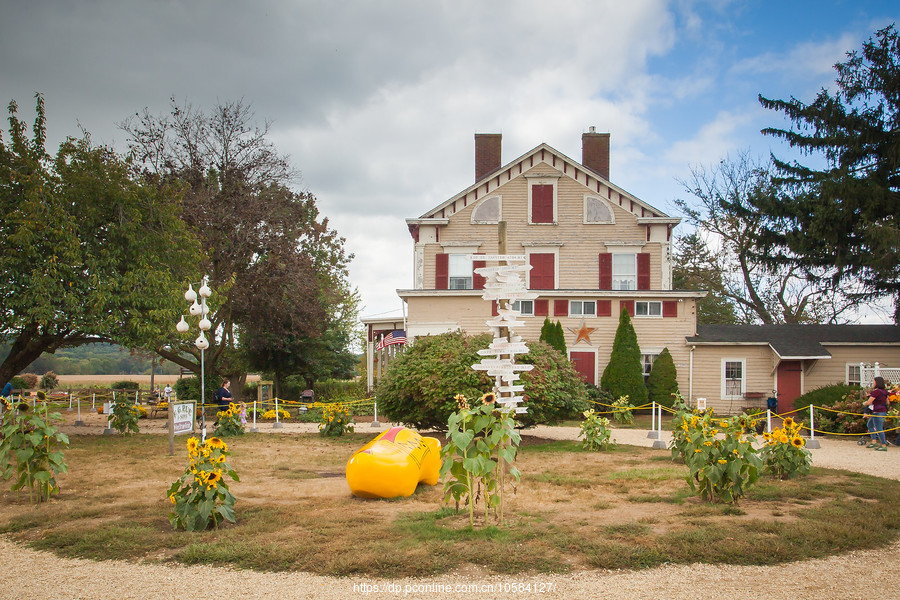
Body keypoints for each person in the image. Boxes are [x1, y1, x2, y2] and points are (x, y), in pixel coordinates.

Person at [864, 376, 889, 451]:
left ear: (877, 383)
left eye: (874, 381)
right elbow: (888, 402)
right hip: (883, 411)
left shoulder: (876, 392)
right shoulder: (885, 391)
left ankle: (883, 445)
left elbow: (869, 402)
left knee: (879, 428)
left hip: (878, 412)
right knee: (870, 425)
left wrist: (865, 403)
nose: (873, 383)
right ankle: (874, 441)